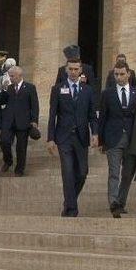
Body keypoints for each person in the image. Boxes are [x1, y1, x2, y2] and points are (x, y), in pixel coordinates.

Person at [47, 58, 98, 217]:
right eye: (71, 69)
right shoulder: (57, 89)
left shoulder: (87, 90)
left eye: (76, 69)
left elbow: (92, 115)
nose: (74, 72)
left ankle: (69, 201)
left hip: (82, 137)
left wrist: (95, 133)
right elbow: (52, 115)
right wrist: (50, 138)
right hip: (64, 137)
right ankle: (72, 209)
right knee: (68, 172)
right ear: (66, 70)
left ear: (81, 70)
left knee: (82, 172)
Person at [99, 61, 136, 218]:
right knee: (114, 172)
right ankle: (113, 203)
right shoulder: (107, 94)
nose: (119, 77)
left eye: (122, 74)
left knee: (127, 173)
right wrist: (100, 141)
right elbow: (103, 118)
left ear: (128, 74)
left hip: (131, 139)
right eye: (116, 74)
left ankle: (121, 202)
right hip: (113, 138)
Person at [0, 66, 39, 177]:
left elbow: (35, 105)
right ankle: (8, 160)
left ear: (19, 75)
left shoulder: (30, 87)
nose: (10, 78)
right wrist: (4, 90)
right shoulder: (8, 88)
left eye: (12, 76)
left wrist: (34, 120)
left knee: (21, 147)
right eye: (9, 76)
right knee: (4, 141)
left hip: (23, 122)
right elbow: (0, 102)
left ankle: (19, 169)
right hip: (8, 121)